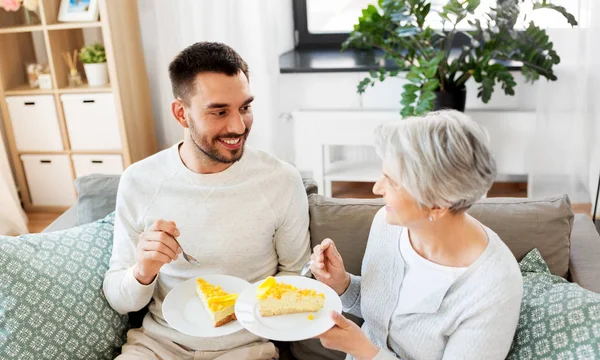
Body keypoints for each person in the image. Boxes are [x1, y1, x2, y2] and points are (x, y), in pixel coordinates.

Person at [103, 42, 310, 360]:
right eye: (219, 112)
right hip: (157, 347)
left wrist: (248, 310)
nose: (238, 127)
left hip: (246, 349)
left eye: (245, 107)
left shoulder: (281, 180)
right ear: (181, 114)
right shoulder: (139, 181)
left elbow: (296, 275)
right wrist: (143, 270)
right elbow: (119, 299)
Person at [310, 110, 523, 360]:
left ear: (437, 203)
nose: (377, 188)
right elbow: (384, 314)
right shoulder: (388, 225)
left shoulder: (493, 288)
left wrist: (364, 351)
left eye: (392, 181)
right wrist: (342, 284)